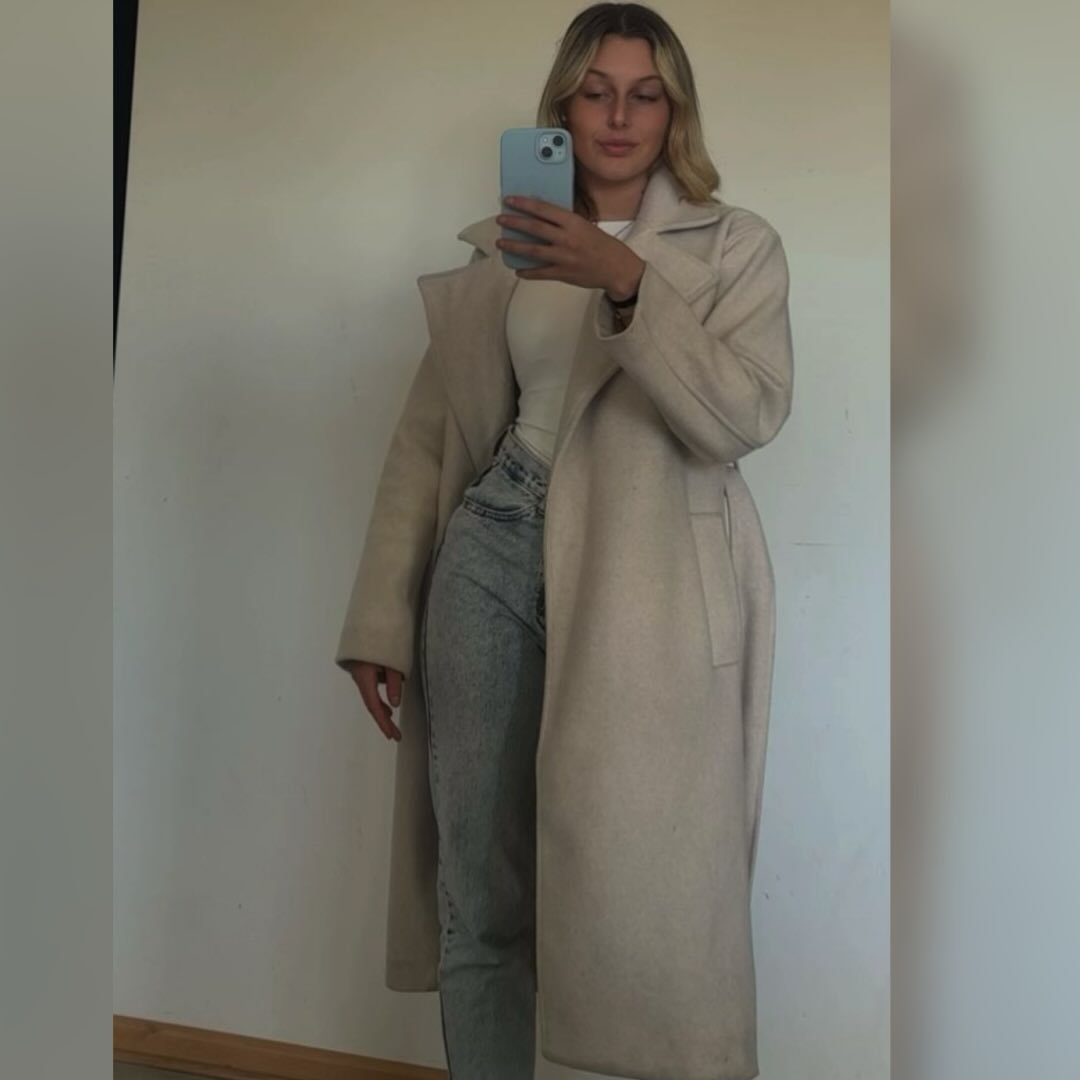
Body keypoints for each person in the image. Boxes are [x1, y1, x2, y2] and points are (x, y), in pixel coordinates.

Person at [335, 4, 794, 1078]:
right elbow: (429, 437)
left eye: (644, 94)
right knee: (480, 884)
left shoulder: (735, 247)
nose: (619, 116)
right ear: (564, 107)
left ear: (673, 111)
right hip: (491, 548)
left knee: (649, 895)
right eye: (596, 92)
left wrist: (625, 279)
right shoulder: (508, 250)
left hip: (647, 580)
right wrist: (379, 619)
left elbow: (745, 415)